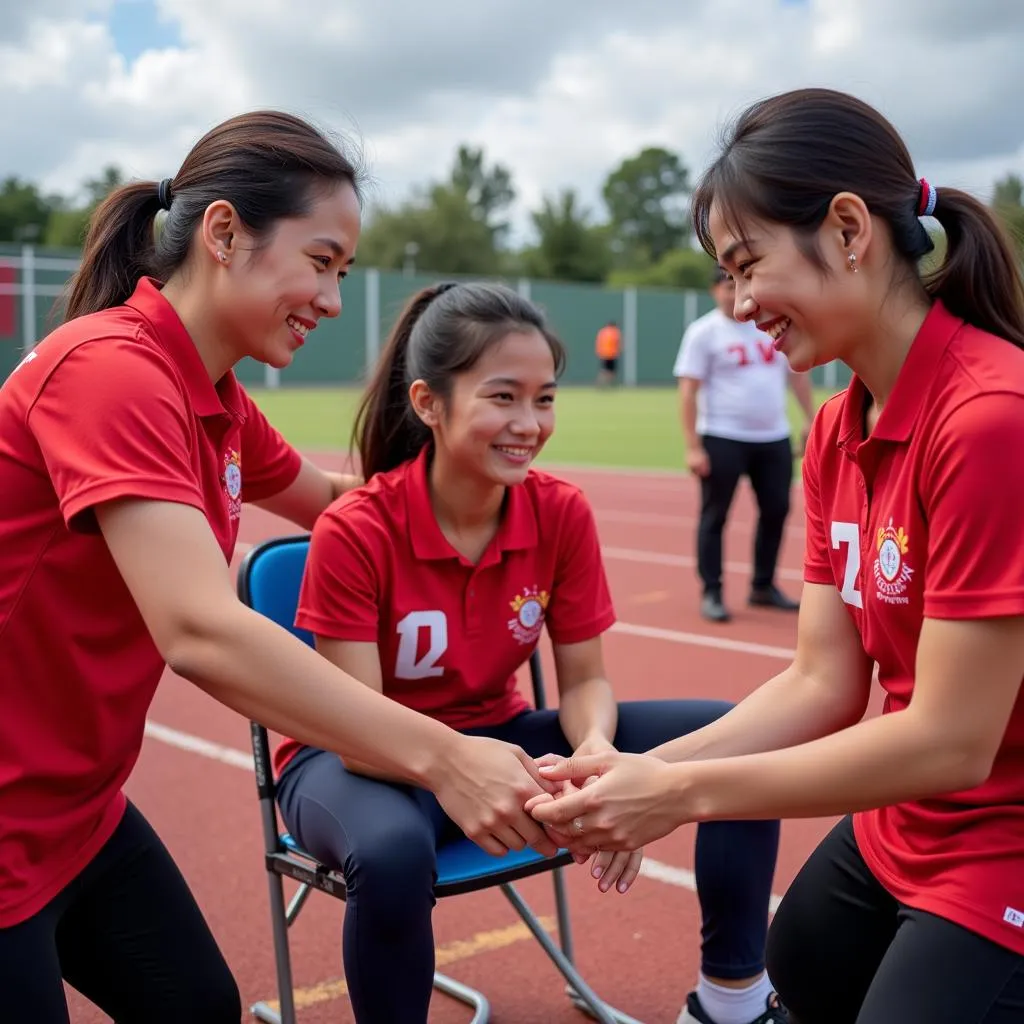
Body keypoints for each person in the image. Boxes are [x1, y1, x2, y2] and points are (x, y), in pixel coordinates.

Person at [0, 111, 573, 1023]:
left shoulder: (213, 396)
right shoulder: (111, 370)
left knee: (196, 1005)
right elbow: (199, 630)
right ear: (224, 234)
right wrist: (445, 759)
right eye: (321, 261)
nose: (335, 299)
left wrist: (490, 492)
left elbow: (348, 500)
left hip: (72, 812)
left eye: (343, 271)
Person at [528, 87, 1024, 1024]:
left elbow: (955, 742)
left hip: (1003, 834)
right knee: (801, 958)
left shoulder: (992, 420)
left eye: (749, 264)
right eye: (729, 272)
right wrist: (639, 774)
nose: (743, 301)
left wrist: (675, 792)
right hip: (913, 819)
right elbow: (823, 683)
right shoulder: (838, 428)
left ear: (848, 229)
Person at [273, 281, 786, 1024]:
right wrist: (471, 766)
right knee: (389, 856)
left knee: (732, 744)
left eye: (544, 399)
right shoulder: (356, 529)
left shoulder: (561, 511)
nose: (529, 423)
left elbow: (585, 680)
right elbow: (357, 729)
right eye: (503, 397)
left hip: (502, 744)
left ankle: (729, 1001)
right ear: (428, 402)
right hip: (362, 762)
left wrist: (599, 756)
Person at [674, 263, 815, 623]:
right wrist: (693, 445)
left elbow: (797, 377)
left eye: (737, 283)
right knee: (715, 515)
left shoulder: (770, 325)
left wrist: (810, 417)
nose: (731, 291)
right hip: (723, 436)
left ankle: (763, 585)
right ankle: (712, 591)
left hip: (773, 436)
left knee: (776, 509)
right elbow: (688, 392)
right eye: (724, 285)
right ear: (713, 292)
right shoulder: (703, 333)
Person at [595, 317, 621, 385]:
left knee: (604, 370)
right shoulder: (615, 332)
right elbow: (618, 344)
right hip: (612, 354)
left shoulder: (602, 332)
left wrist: (599, 352)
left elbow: (598, 343)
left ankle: (601, 383)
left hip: (604, 354)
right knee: (612, 371)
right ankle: (610, 384)